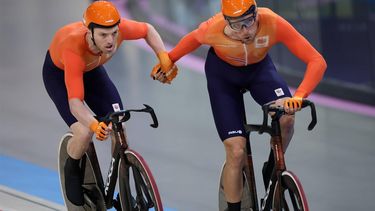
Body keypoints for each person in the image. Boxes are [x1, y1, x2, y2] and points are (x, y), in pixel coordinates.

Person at [151, 0, 327, 210]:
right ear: (226, 22)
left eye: (249, 22)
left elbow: (317, 60)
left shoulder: (273, 22)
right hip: (222, 77)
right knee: (236, 151)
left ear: (256, 14)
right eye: (237, 25)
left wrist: (299, 96)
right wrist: (168, 60)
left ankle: (272, 168)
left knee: (287, 118)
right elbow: (191, 40)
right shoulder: (211, 28)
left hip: (259, 72)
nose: (245, 31)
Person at [42, 1, 175, 206]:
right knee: (84, 132)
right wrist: (94, 125)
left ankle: (121, 187)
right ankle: (72, 166)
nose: (111, 40)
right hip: (60, 75)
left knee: (118, 124)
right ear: (89, 32)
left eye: (113, 33)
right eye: (103, 35)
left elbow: (148, 29)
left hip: (92, 70)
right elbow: (75, 104)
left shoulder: (119, 31)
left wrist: (164, 57)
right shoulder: (73, 48)